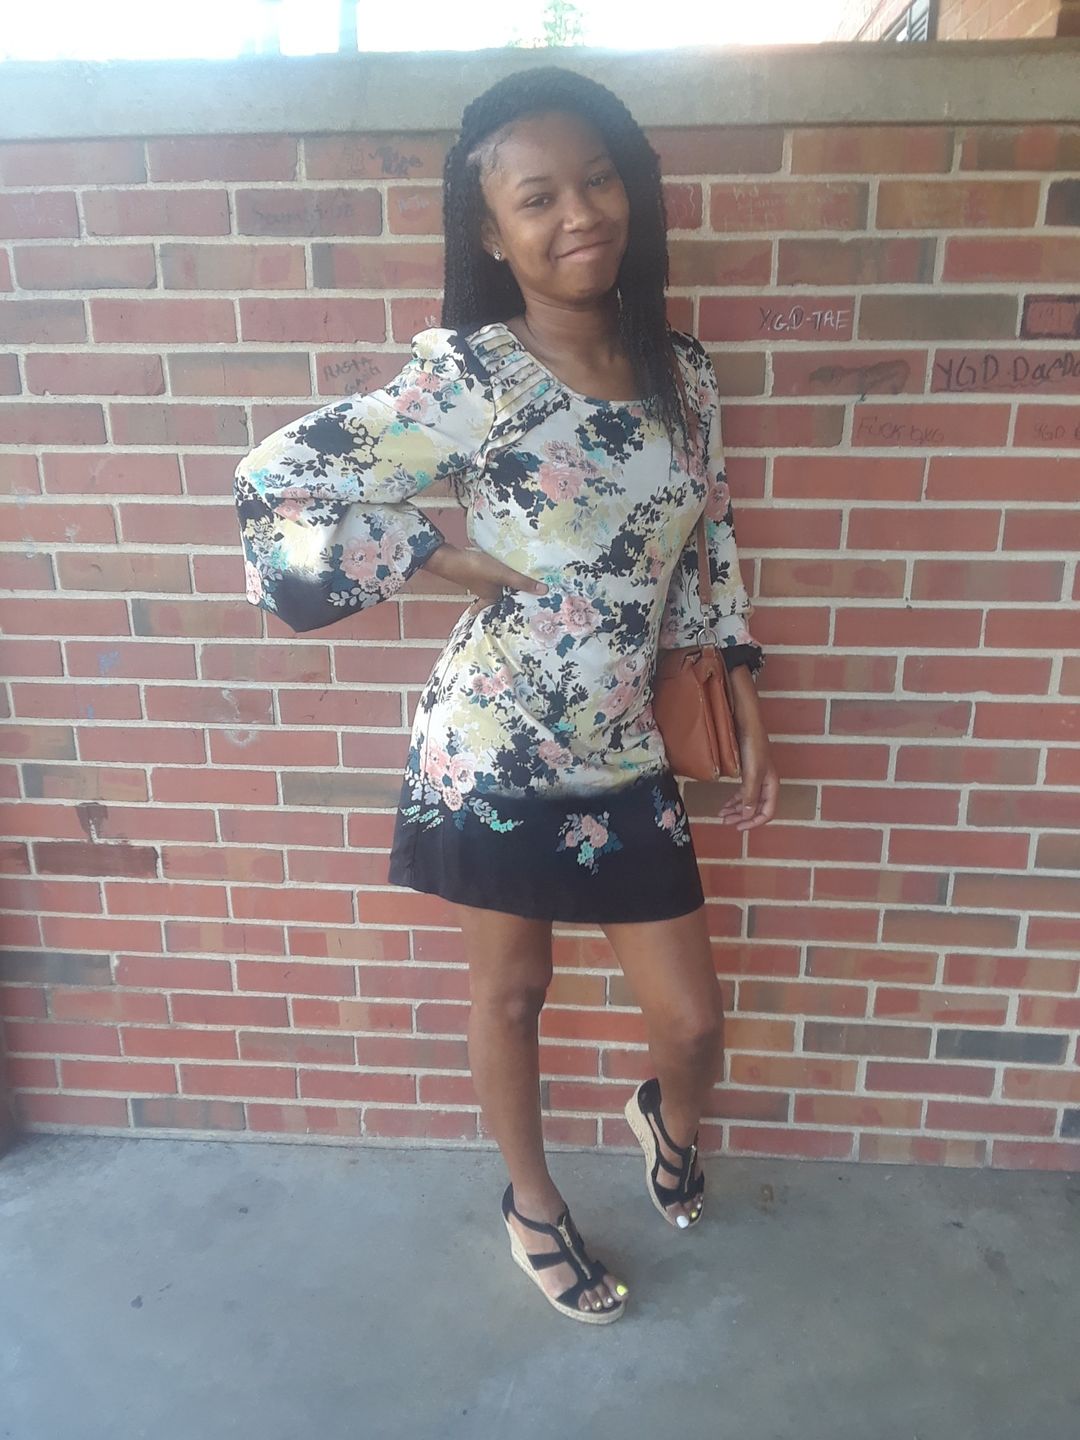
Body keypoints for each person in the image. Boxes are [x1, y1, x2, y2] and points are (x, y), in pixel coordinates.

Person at [234, 66, 779, 1325]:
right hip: (495, 744)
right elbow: (277, 481)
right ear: (490, 233)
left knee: (691, 1021)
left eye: (597, 183)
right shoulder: (475, 378)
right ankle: (532, 1205)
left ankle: (667, 1115)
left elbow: (710, 544)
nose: (578, 213)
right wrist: (430, 553)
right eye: (538, 198)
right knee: (513, 992)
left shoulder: (685, 375)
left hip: (628, 744)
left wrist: (742, 694)